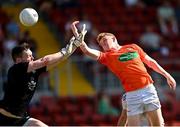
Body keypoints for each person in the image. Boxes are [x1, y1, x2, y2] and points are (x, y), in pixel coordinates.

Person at [71, 21, 176, 126]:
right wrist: (79, 39)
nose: (103, 44)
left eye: (105, 40)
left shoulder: (133, 47)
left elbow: (151, 62)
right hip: (132, 95)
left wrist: (167, 75)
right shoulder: (107, 57)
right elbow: (87, 50)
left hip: (148, 90)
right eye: (101, 44)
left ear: (114, 39)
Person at [0, 25, 87, 126]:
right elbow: (45, 60)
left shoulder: (34, 71)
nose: (32, 57)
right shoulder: (16, 69)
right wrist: (64, 50)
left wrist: (75, 45)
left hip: (21, 119)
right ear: (19, 60)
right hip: (3, 118)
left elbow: (61, 58)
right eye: (28, 56)